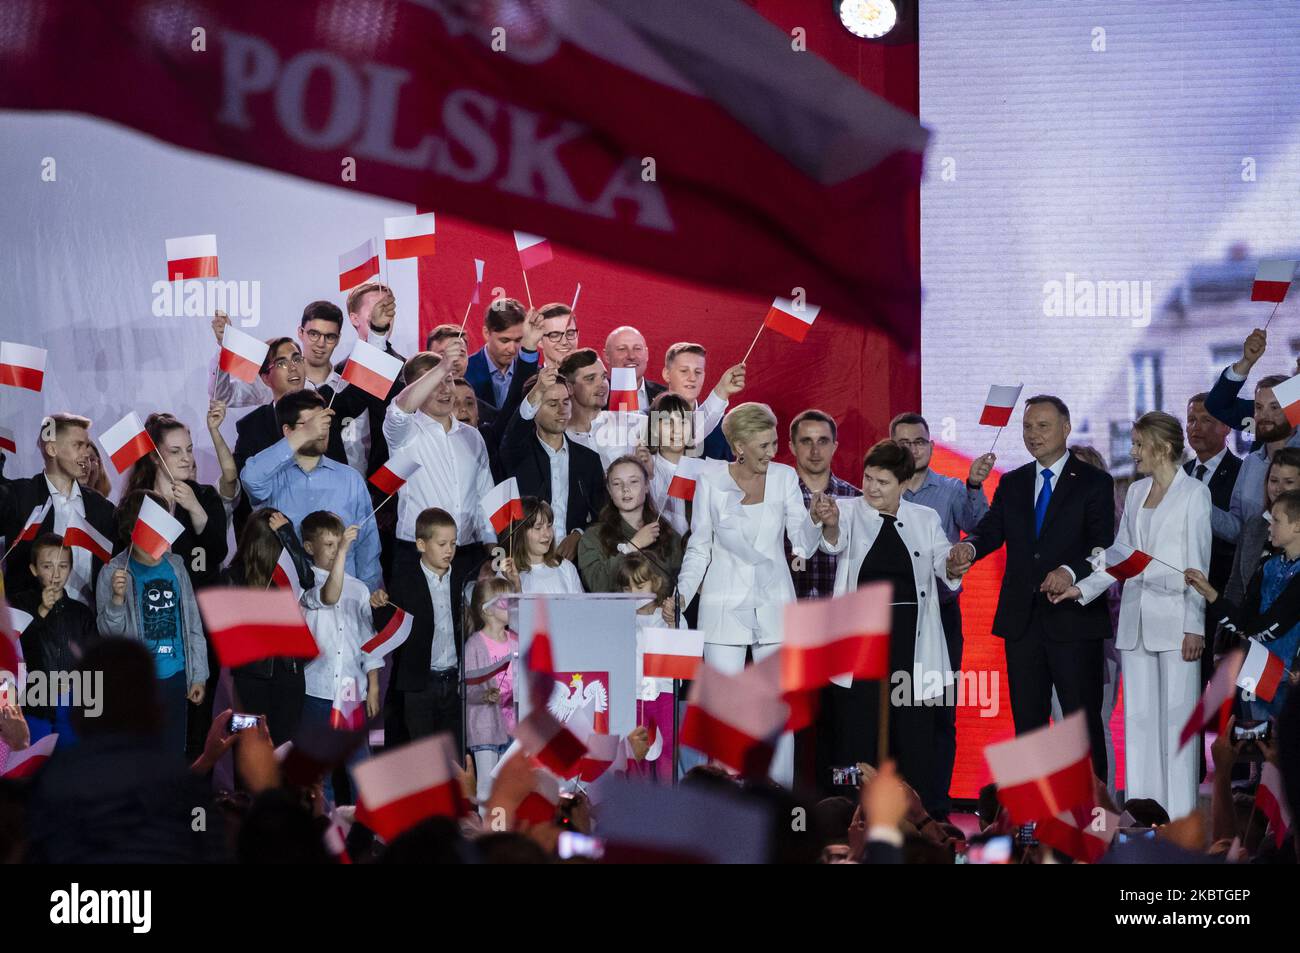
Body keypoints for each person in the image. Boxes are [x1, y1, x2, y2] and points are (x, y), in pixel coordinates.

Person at [947, 395, 1115, 779]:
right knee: (1029, 729)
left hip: (1074, 622)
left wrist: (1071, 572)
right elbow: (992, 529)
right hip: (1022, 623)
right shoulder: (1014, 481)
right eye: (1027, 427)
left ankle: (1091, 822)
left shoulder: (1094, 482)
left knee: (1081, 728)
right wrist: (969, 546)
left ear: (1066, 429)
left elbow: (1103, 546)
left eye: (1043, 426)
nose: (1033, 434)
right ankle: (1032, 822)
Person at [1054, 412, 1211, 819]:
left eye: (1139, 444)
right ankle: (1144, 818)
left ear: (1160, 446)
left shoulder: (1194, 493)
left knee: (1176, 727)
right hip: (1136, 621)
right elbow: (1119, 554)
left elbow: (1199, 563)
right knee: (1139, 725)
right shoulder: (1137, 491)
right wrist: (1082, 587)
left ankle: (1180, 822)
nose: (1133, 451)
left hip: (1177, 623)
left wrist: (1195, 626)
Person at [812, 440, 961, 811]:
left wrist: (955, 564)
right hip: (861, 641)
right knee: (854, 731)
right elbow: (832, 543)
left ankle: (917, 815)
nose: (872, 488)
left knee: (914, 734)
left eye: (883, 481)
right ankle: (849, 811)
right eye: (868, 478)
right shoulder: (846, 511)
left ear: (904, 484)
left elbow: (943, 560)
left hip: (911, 640)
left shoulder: (925, 519)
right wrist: (829, 524)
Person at [676, 402, 819, 786]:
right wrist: (681, 595)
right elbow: (699, 546)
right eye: (763, 446)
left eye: (774, 444)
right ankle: (722, 803)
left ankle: (779, 800)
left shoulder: (785, 478)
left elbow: (801, 544)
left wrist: (817, 520)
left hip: (774, 608)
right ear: (738, 445)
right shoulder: (710, 480)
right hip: (723, 609)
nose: (772, 453)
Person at [890, 411, 993, 817]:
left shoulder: (952, 490)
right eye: (903, 443)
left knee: (938, 715)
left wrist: (973, 484)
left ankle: (935, 807)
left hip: (940, 618)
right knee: (895, 714)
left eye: (919, 442)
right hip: (894, 621)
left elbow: (981, 527)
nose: (912, 449)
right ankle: (895, 807)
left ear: (931, 447)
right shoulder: (881, 491)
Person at [96, 490, 209, 759]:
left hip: (176, 677)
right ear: (136, 529)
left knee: (172, 755)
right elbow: (108, 636)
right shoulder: (113, 572)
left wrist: (198, 674)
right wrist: (116, 600)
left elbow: (193, 623)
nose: (164, 535)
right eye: (155, 526)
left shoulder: (177, 566)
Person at [383, 346, 496, 601]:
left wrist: (491, 546)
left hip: (467, 554)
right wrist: (443, 366)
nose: (445, 389)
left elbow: (484, 495)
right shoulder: (404, 433)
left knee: (464, 636)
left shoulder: (472, 436)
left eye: (447, 380)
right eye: (433, 381)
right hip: (416, 553)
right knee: (419, 638)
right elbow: (400, 410)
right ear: (414, 388)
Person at [240, 389, 382, 590]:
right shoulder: (272, 476)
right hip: (287, 598)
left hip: (343, 600)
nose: (321, 431)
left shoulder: (350, 478)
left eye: (323, 423)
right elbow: (250, 478)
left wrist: (370, 592)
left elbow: (367, 545)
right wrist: (305, 434)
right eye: (310, 424)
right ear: (288, 431)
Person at [1187, 488, 1300, 722]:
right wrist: (1211, 594)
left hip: (1290, 675)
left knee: (1286, 752)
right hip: (1257, 670)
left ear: (1297, 526)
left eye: (1276, 521)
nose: (1269, 527)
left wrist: (1245, 629)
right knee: (1254, 745)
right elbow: (1244, 618)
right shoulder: (1267, 565)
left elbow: (1275, 623)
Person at [298, 511, 384, 803]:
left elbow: (368, 640)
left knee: (360, 764)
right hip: (316, 689)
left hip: (350, 692)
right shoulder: (304, 583)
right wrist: (346, 549)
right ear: (310, 547)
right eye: (330, 545)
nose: (336, 551)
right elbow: (326, 596)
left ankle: (365, 828)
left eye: (340, 544)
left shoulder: (359, 588)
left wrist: (372, 686)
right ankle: (323, 825)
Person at [0, 413, 116, 603]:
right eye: (78, 445)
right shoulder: (19, 497)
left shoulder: (101, 508)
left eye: (86, 445)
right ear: (52, 449)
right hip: (33, 626)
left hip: (88, 625)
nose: (86, 453)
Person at [222, 508, 312, 745]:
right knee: (248, 745)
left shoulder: (287, 575)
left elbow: (308, 578)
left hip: (287, 670)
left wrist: (287, 535)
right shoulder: (233, 576)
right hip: (250, 675)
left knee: (282, 743)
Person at [499, 367, 607, 562]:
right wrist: (538, 389)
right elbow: (515, 430)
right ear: (535, 409)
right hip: (526, 564)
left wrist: (579, 534)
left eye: (566, 402)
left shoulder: (588, 460)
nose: (562, 410)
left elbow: (603, 514)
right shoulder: (517, 453)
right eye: (552, 403)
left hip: (575, 564)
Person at [1202, 329, 1300, 539]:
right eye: (1259, 407)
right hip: (1252, 568)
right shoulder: (1253, 461)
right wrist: (1246, 361)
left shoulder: (1293, 411)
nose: (1265, 415)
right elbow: (1216, 404)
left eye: (1275, 407)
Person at [124, 411, 232, 591]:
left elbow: (217, 553)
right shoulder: (137, 503)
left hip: (199, 606)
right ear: (155, 457)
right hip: (154, 604)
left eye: (189, 449)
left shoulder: (206, 496)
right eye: (175, 451)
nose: (186, 458)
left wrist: (195, 509)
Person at [387, 507, 463, 743]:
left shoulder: (463, 577)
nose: (449, 550)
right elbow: (392, 628)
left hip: (454, 683)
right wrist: (380, 603)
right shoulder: (404, 580)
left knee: (453, 757)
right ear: (421, 544)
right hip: (420, 685)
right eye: (442, 544)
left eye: (453, 543)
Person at [10, 534, 98, 737]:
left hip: (72, 702)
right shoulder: (19, 604)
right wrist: (41, 612)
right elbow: (17, 647)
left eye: (63, 566)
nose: (56, 575)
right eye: (47, 566)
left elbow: (93, 659)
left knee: (70, 761)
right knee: (36, 762)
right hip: (34, 702)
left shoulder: (81, 612)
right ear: (34, 569)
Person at [576, 455, 684, 593]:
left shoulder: (667, 534)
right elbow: (597, 584)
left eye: (633, 481)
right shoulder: (592, 537)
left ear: (646, 486)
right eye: (616, 483)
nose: (625, 489)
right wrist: (632, 546)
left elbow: (679, 587)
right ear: (609, 490)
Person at [786, 410, 862, 601]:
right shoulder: (776, 498)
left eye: (823, 441)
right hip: (786, 615)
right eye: (806, 441)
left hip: (839, 618)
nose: (815, 451)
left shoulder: (855, 499)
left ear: (834, 446)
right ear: (792, 447)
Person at [621, 553, 681, 782]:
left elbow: (683, 660)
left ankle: (669, 803)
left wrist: (673, 623)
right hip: (634, 697)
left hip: (665, 694)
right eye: (627, 588)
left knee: (667, 755)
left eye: (639, 585)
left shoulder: (668, 615)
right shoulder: (622, 618)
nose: (634, 593)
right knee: (637, 756)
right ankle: (638, 806)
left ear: (655, 583)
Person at [463, 575, 518, 804]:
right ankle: (487, 832)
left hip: (513, 726)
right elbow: (468, 686)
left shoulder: (515, 640)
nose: (512, 606)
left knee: (509, 784)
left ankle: (505, 831)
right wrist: (484, 694)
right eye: (505, 601)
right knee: (487, 785)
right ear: (487, 610)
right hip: (485, 726)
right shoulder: (475, 644)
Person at [1224, 448, 1300, 611]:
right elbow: (1235, 585)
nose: (1279, 488)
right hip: (1246, 629)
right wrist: (1225, 630)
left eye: (1288, 482)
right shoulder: (1254, 524)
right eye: (1273, 480)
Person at [660, 342, 738, 461]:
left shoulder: (723, 427)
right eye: (684, 371)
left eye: (698, 372)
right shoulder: (648, 418)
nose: (692, 378)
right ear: (667, 374)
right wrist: (721, 391)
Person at [464, 298, 543, 411]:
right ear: (486, 333)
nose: (512, 349)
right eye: (504, 340)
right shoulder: (465, 372)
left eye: (518, 340)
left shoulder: (535, 374)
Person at [500, 498, 585, 594]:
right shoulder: (506, 574)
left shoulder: (566, 568)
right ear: (521, 533)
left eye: (549, 526)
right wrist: (516, 587)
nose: (547, 534)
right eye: (538, 528)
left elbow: (582, 607)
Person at [604, 325, 665, 410]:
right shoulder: (596, 396)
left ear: (647, 354)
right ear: (607, 356)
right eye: (622, 349)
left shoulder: (665, 397)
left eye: (637, 348)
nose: (631, 356)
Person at [342, 282, 403, 362]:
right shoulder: (340, 372)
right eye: (376, 311)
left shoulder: (409, 370)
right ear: (355, 319)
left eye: (387, 310)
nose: (384, 317)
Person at [536, 302, 579, 367]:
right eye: (555, 336)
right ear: (539, 340)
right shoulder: (529, 376)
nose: (564, 342)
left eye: (570, 333)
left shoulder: (596, 375)